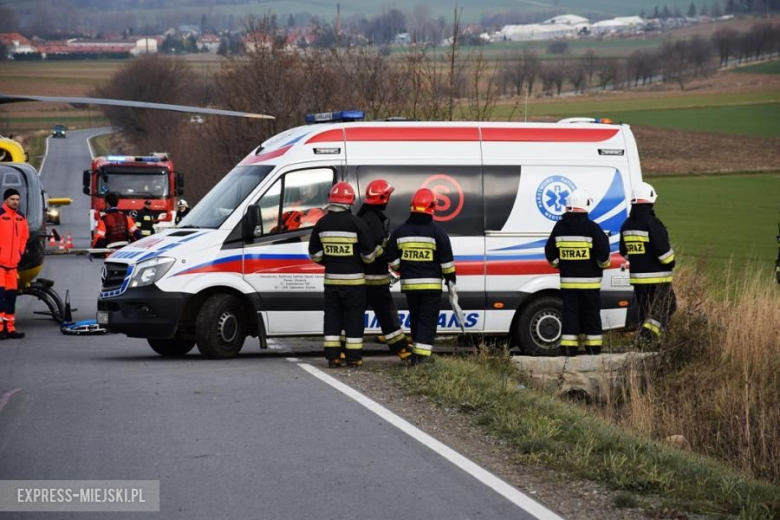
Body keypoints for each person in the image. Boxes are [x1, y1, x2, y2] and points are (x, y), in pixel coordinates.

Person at [308, 182, 378, 368]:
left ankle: (333, 357)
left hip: (331, 281)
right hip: (355, 282)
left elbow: (314, 254)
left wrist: (329, 262)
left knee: (332, 316)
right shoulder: (357, 223)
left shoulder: (321, 224)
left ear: (331, 200)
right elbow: (369, 255)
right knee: (354, 318)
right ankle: (353, 357)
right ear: (350, 201)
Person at [385, 188, 456, 365]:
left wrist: (402, 268)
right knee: (428, 320)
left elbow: (390, 257)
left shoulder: (400, 231)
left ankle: (416, 353)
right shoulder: (437, 232)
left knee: (416, 318)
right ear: (433, 207)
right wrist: (451, 282)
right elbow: (446, 262)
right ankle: (422, 357)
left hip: (410, 285)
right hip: (431, 286)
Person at [545, 189, 611, 356]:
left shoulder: (559, 227)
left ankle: (569, 347)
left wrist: (559, 265)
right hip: (590, 282)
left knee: (570, 312)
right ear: (585, 206)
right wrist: (602, 264)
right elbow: (603, 253)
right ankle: (593, 347)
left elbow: (550, 251)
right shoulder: (592, 228)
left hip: (568, 281)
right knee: (591, 312)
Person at [357, 179, 412, 362]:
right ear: (384, 197)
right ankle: (402, 349)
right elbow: (371, 251)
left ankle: (345, 351)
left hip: (363, 279)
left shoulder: (365, 216)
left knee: (354, 316)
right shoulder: (373, 220)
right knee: (388, 316)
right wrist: (386, 246)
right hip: (375, 279)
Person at [619, 182, 677, 346]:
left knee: (646, 312)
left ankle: (649, 344)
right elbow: (664, 253)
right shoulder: (653, 223)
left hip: (638, 280)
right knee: (668, 306)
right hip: (657, 278)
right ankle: (646, 338)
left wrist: (639, 260)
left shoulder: (626, 225)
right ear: (650, 201)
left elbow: (624, 251)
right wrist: (671, 262)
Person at [0, 189, 29, 340]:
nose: (15, 202)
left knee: (11, 298)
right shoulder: (0, 215)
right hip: (0, 266)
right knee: (0, 298)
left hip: (12, 266)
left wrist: (19, 252)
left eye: (17, 199)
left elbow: (24, 236)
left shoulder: (20, 217)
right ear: (5, 200)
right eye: (12, 199)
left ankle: (10, 328)